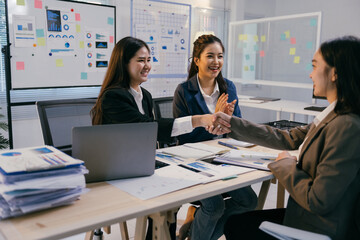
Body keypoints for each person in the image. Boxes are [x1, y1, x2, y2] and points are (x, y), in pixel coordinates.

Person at [210, 36, 360, 240]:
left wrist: (286, 165)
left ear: (334, 73)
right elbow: (288, 138)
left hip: (318, 228)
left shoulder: (347, 126)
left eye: (315, 66)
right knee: (240, 221)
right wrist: (232, 122)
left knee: (237, 225)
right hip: (308, 217)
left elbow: (318, 200)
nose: (310, 74)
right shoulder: (334, 115)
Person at [90, 36, 214, 240]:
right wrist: (197, 120)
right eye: (140, 60)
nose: (147, 65)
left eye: (149, 60)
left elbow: (148, 135)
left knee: (191, 187)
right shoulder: (113, 97)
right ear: (124, 63)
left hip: (140, 164)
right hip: (117, 171)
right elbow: (147, 128)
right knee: (170, 199)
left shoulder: (144, 95)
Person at [173, 34, 257, 240]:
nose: (216, 62)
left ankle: (195, 231)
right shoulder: (184, 91)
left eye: (220, 56)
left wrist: (227, 121)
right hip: (194, 161)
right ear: (197, 60)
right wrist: (213, 121)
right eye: (210, 56)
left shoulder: (228, 87)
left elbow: (237, 129)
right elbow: (183, 135)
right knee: (214, 206)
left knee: (249, 201)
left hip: (224, 157)